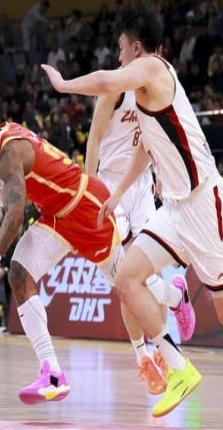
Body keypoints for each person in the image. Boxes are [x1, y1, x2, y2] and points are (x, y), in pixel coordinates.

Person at [41, 5, 223, 424]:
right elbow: (146, 147)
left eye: (120, 49)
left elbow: (105, 81)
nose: (118, 57)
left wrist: (63, 84)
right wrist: (116, 194)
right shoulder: (142, 90)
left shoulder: (152, 69)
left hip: (205, 206)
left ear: (136, 48)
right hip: (174, 210)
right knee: (125, 278)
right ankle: (178, 368)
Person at [0, 101, 193, 405]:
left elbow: (16, 214)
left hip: (85, 209)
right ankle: (52, 375)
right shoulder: (6, 147)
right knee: (19, 273)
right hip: (56, 217)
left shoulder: (9, 152)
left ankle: (175, 299)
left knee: (129, 284)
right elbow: (22, 196)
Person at [86, 85, 193, 393]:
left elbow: (155, 139)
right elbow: (94, 138)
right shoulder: (114, 90)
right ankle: (168, 311)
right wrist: (89, 189)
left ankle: (160, 351)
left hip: (142, 184)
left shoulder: (155, 87)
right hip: (110, 185)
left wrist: (161, 175)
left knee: (145, 271)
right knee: (125, 279)